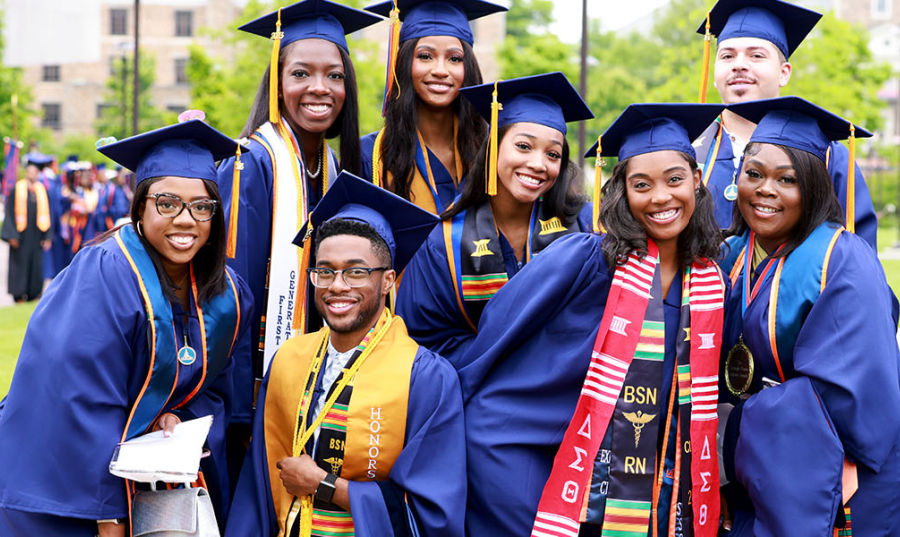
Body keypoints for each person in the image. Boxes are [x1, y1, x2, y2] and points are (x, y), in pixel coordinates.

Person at [457, 103, 728, 536]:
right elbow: (496, 332)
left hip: (623, 479)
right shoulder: (584, 258)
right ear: (622, 191)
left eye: (675, 180)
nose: (660, 197)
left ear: (697, 181)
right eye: (642, 185)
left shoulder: (710, 284)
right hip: (522, 453)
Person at [0, 119, 252, 537]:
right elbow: (76, 398)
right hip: (66, 491)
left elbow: (213, 392)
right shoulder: (103, 273)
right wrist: (109, 517)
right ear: (140, 206)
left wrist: (173, 414)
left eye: (202, 206)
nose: (186, 220)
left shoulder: (226, 293)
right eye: (167, 203)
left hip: (153, 484)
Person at [226, 172, 465, 537]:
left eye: (356, 272)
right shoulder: (289, 361)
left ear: (388, 280)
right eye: (325, 271)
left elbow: (432, 511)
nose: (337, 286)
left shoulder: (426, 377)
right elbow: (258, 490)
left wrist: (326, 486)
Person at [714, 96, 900, 537]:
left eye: (787, 180)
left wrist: (732, 423)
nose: (765, 190)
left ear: (814, 187)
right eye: (753, 174)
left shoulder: (841, 259)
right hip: (755, 474)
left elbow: (852, 397)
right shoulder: (730, 255)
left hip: (832, 479)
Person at [216, 0, 383, 438]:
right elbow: (234, 289)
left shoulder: (333, 169)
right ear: (276, 83)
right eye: (300, 73)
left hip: (318, 381)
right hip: (255, 394)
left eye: (335, 75)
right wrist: (241, 399)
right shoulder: (250, 166)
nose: (320, 87)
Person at [396, 71, 594, 363]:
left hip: (564, 392)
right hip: (477, 394)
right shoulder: (443, 242)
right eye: (523, 146)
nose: (538, 164)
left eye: (553, 154)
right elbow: (424, 341)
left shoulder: (584, 227)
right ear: (494, 148)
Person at [693, 0, 878, 248]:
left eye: (756, 55)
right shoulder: (686, 149)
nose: (739, 64)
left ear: (784, 73)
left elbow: (857, 254)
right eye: (727, 56)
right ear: (715, 72)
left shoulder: (825, 155)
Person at [360, 0, 506, 214]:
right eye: (425, 56)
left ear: (469, 68)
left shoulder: (493, 153)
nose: (440, 70)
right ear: (404, 62)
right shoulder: (371, 155)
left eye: (454, 58)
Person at [1, 154, 52, 302]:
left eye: (35, 172)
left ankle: (34, 293)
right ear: (26, 172)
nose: (33, 174)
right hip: (20, 236)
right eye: (30, 172)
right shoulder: (17, 188)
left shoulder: (41, 190)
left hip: (36, 236)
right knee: (20, 265)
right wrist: (11, 235)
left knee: (35, 265)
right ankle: (19, 294)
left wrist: (47, 236)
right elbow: (9, 212)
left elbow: (48, 213)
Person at [96, 162, 130, 232]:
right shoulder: (110, 189)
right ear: (117, 176)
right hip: (112, 224)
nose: (124, 178)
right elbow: (103, 208)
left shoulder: (125, 189)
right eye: (122, 175)